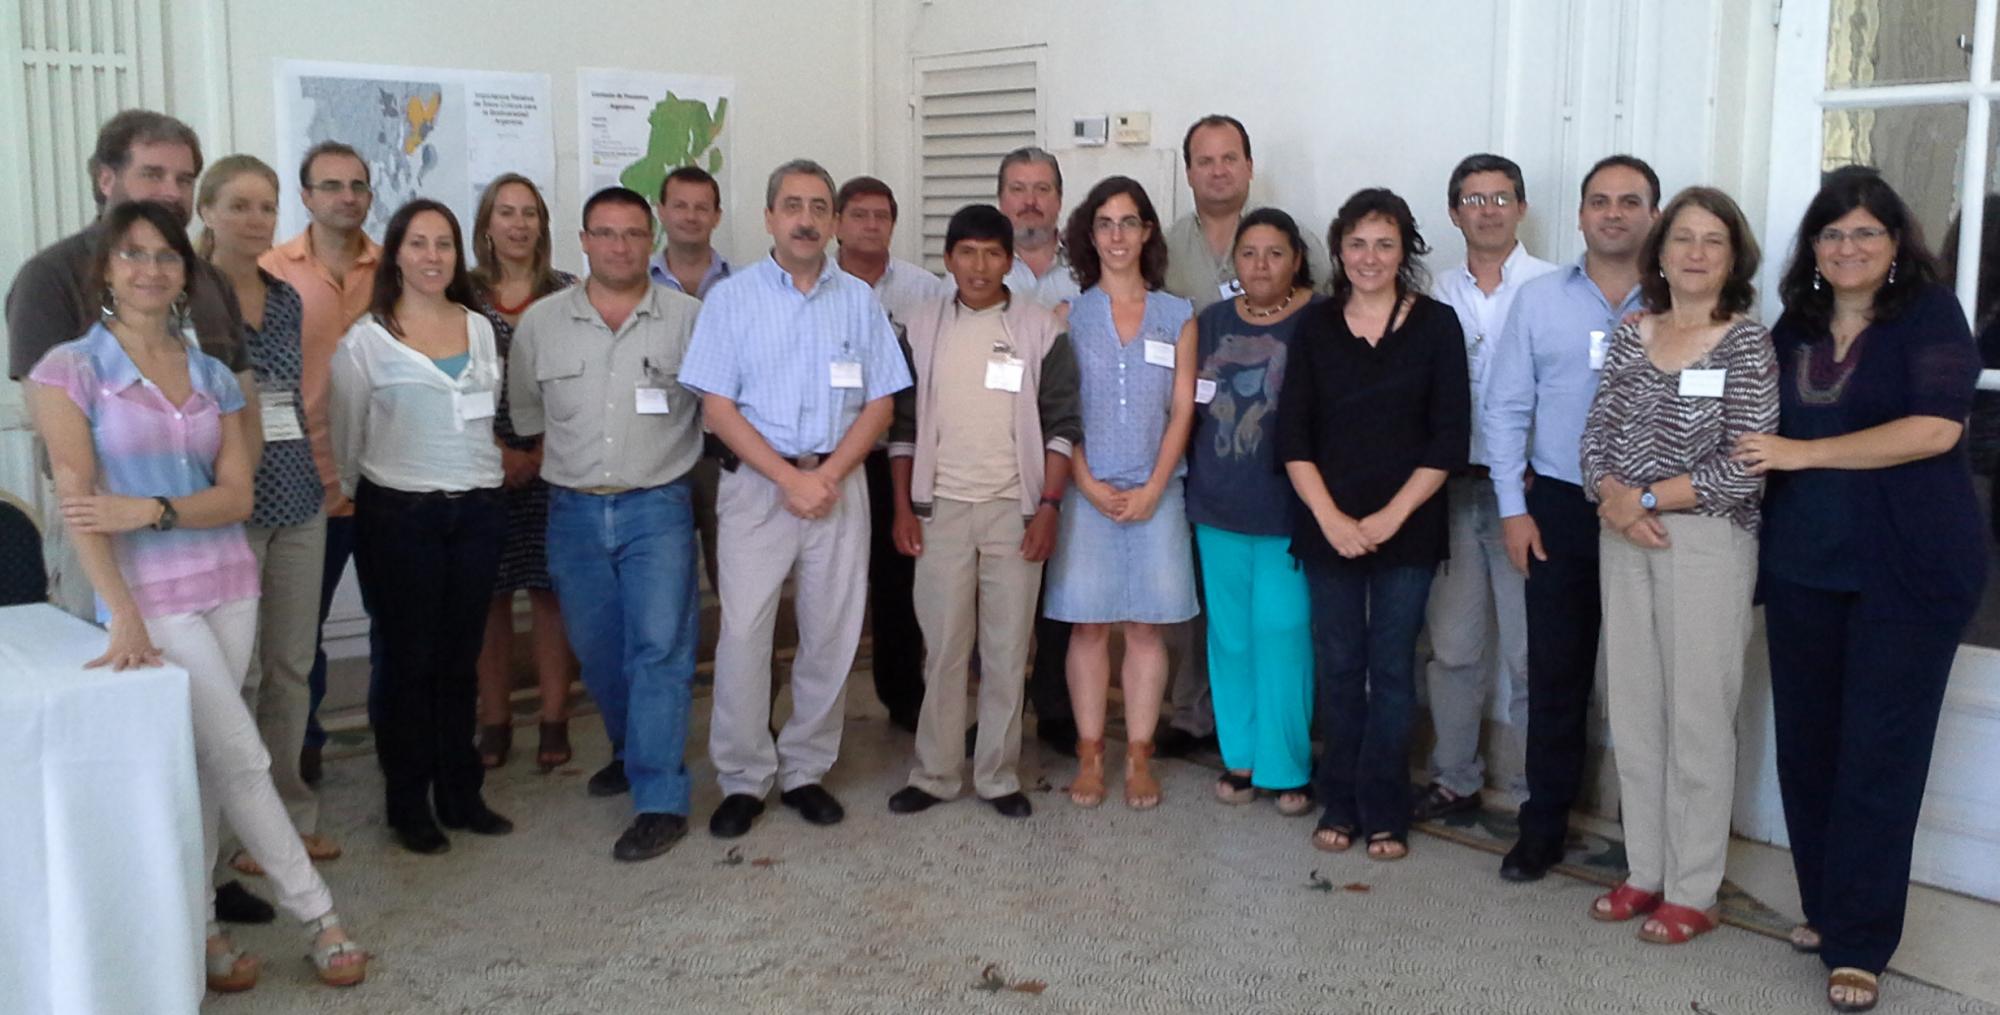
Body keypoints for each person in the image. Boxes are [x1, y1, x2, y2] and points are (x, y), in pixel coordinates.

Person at [26, 200, 367, 991]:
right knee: (243, 752)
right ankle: (320, 916)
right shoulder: (68, 370)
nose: (150, 269)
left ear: (186, 269)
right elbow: (80, 504)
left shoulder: (214, 372)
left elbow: (238, 497)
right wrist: (126, 613)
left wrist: (147, 509)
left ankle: (206, 933)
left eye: (166, 256)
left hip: (227, 580)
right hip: (150, 597)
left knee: (211, 761)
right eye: (133, 254)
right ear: (105, 269)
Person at [4, 108, 274, 925]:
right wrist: (119, 578)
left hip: (211, 528)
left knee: (221, 716)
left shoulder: (203, 275)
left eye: (184, 179)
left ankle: (208, 885)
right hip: (113, 539)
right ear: (106, 178)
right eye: (154, 175)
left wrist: (220, 499)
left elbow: (240, 397)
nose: (173, 192)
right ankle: (149, 901)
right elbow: (64, 448)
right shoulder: (53, 276)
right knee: (140, 720)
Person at [1734, 169, 1985, 1013]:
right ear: (1813, 247)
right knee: (1808, 744)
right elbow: (1745, 420)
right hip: (1806, 564)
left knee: (1880, 754)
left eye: (1865, 233)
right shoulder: (1794, 325)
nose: (1847, 248)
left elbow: (1937, 427)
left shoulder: (1928, 314)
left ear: (1895, 243)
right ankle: (1825, 905)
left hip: (1908, 569)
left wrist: (1802, 454)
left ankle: (1862, 940)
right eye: (1832, 234)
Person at [680, 159, 913, 838]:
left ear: (834, 221)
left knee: (832, 634)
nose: (806, 219)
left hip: (837, 484)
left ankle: (807, 768)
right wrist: (790, 480)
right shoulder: (733, 299)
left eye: (819, 207)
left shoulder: (858, 301)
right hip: (759, 487)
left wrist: (829, 475)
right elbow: (718, 408)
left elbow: (882, 401)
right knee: (746, 634)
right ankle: (745, 777)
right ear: (769, 218)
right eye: (792, 206)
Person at [1578, 186, 1775, 944]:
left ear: (1733, 258)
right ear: (1659, 252)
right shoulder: (1631, 334)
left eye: (1712, 241)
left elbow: (1746, 463)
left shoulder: (1747, 344)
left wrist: (1647, 500)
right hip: (1621, 534)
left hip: (1705, 541)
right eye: (1682, 238)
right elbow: (1594, 435)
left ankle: (1695, 885)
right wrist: (1614, 499)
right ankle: (1645, 869)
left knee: (1697, 714)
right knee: (1634, 706)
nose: (1695, 253)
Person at [509, 186, 706, 861]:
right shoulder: (541, 324)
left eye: (632, 233)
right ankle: (629, 749)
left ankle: (659, 796)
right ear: (582, 241)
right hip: (572, 510)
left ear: (649, 241)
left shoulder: (689, 318)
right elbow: (528, 415)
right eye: (606, 233)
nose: (619, 246)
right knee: (599, 649)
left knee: (659, 650)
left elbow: (717, 412)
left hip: (658, 506)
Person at [1484, 154, 1661, 882]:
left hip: (1657, 511)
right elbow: (1504, 408)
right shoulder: (1540, 300)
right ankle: (1543, 826)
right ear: (1581, 213)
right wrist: (1512, 510)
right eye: (1599, 200)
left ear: (1654, 213)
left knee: (1651, 680)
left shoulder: (1684, 301)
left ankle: (1656, 845)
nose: (1613, 213)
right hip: (1557, 504)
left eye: (1629, 201)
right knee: (1554, 676)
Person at [1279, 188, 1469, 861]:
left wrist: (1388, 518)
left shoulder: (1437, 326)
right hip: (1326, 526)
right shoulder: (1315, 326)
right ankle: (1341, 799)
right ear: (1338, 249)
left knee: (1391, 668)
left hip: (1407, 527)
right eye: (1357, 243)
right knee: (1338, 664)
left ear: (1406, 250)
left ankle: (1386, 807)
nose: (1370, 256)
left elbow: (1449, 439)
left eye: (1384, 243)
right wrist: (1332, 518)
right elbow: (1293, 437)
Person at [883, 203, 1082, 819]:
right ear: (947, 260)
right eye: (966, 252)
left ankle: (997, 774)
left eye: (992, 253)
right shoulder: (918, 326)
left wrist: (1048, 505)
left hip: (1013, 512)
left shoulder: (1041, 327)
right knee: (942, 648)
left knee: (1005, 650)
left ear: (1009, 261)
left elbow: (1062, 424)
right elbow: (903, 427)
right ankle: (936, 771)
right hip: (939, 509)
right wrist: (903, 508)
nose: (978, 265)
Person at [327, 198, 512, 855]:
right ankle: (408, 802)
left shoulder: (479, 326)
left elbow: (485, 415)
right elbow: (347, 437)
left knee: (459, 660)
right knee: (408, 663)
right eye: (418, 244)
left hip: (478, 510)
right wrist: (366, 492)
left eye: (444, 244)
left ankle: (461, 793)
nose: (432, 256)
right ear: (395, 254)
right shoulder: (366, 340)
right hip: (399, 513)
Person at [196, 154, 344, 877]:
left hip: (298, 494)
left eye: (266, 206)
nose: (255, 220)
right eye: (239, 205)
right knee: (238, 674)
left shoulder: (285, 296)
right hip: (227, 505)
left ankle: (290, 815)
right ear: (206, 211)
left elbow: (293, 393)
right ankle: (232, 833)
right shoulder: (182, 295)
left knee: (292, 665)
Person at [1041, 175, 1198, 811]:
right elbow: (1058, 406)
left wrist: (1156, 486)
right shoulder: (1068, 315)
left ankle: (1138, 758)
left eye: (1128, 222)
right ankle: (1090, 756)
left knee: (1145, 629)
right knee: (1087, 628)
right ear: (1089, 234)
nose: (1116, 236)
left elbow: (1183, 410)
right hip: (1088, 490)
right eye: (1104, 223)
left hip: (1157, 492)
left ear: (1147, 232)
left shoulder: (1177, 315)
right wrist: (1084, 479)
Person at [1415, 153, 1560, 822]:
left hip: (1527, 497)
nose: (1488, 210)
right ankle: (1455, 778)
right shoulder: (1432, 294)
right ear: (1454, 213)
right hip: (1448, 492)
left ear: (1522, 207)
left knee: (1533, 654)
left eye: (1501, 198)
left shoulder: (1553, 288)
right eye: (1474, 199)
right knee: (1454, 649)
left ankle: (1538, 792)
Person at [1186, 208, 1322, 816]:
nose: (1260, 265)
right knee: (1231, 638)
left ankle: (1286, 765)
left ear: (1296, 259)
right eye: (1248, 254)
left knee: (1285, 632)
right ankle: (1239, 757)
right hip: (1216, 504)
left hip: (1290, 510)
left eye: (1274, 253)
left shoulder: (1320, 320)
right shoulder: (1211, 322)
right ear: (1233, 262)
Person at [259, 140, 381, 787]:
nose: (346, 197)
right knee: (299, 639)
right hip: (304, 482)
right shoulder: (268, 270)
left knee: (398, 627)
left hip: (387, 481)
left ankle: (399, 743)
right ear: (305, 197)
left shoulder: (394, 271)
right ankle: (301, 752)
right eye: (331, 185)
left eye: (357, 185)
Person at [468, 172, 579, 773]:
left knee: (550, 591)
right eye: (506, 213)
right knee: (489, 596)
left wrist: (539, 453)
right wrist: (499, 451)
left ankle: (555, 718)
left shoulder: (568, 292)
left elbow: (587, 380)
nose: (518, 224)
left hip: (555, 459)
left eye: (529, 213)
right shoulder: (460, 294)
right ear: (487, 224)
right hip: (479, 460)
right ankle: (495, 719)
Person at [834, 175, 953, 732]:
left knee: (897, 581)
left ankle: (902, 694)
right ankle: (821, 706)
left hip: (896, 455)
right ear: (837, 222)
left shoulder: (924, 289)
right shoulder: (817, 285)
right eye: (859, 214)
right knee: (829, 581)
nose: (871, 225)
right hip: (829, 459)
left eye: (881, 215)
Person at [997, 146, 1084, 759]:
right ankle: (993, 709)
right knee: (993, 589)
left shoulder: (1088, 271)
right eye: (1018, 188)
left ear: (1059, 198)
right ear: (1001, 198)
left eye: (1042, 188)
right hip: (994, 449)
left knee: (1060, 584)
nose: (1030, 199)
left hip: (1066, 443)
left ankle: (1053, 706)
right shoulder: (976, 268)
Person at [648, 164, 731, 595]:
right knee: (665, 586)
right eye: (680, 205)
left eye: (702, 207)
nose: (691, 216)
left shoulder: (743, 288)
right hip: (656, 453)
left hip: (726, 455)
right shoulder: (636, 287)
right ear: (660, 211)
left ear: (717, 216)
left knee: (740, 585)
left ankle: (751, 667)